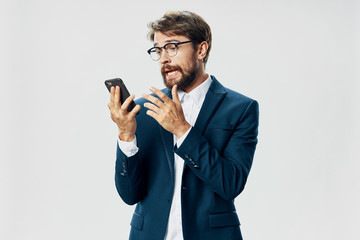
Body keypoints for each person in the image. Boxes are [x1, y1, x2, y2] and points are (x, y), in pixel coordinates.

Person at [107, 10, 259, 240]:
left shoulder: (241, 108)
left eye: (172, 47)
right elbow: (130, 195)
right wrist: (126, 137)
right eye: (158, 50)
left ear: (201, 49)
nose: (164, 59)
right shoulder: (144, 110)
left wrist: (182, 129)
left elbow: (230, 184)